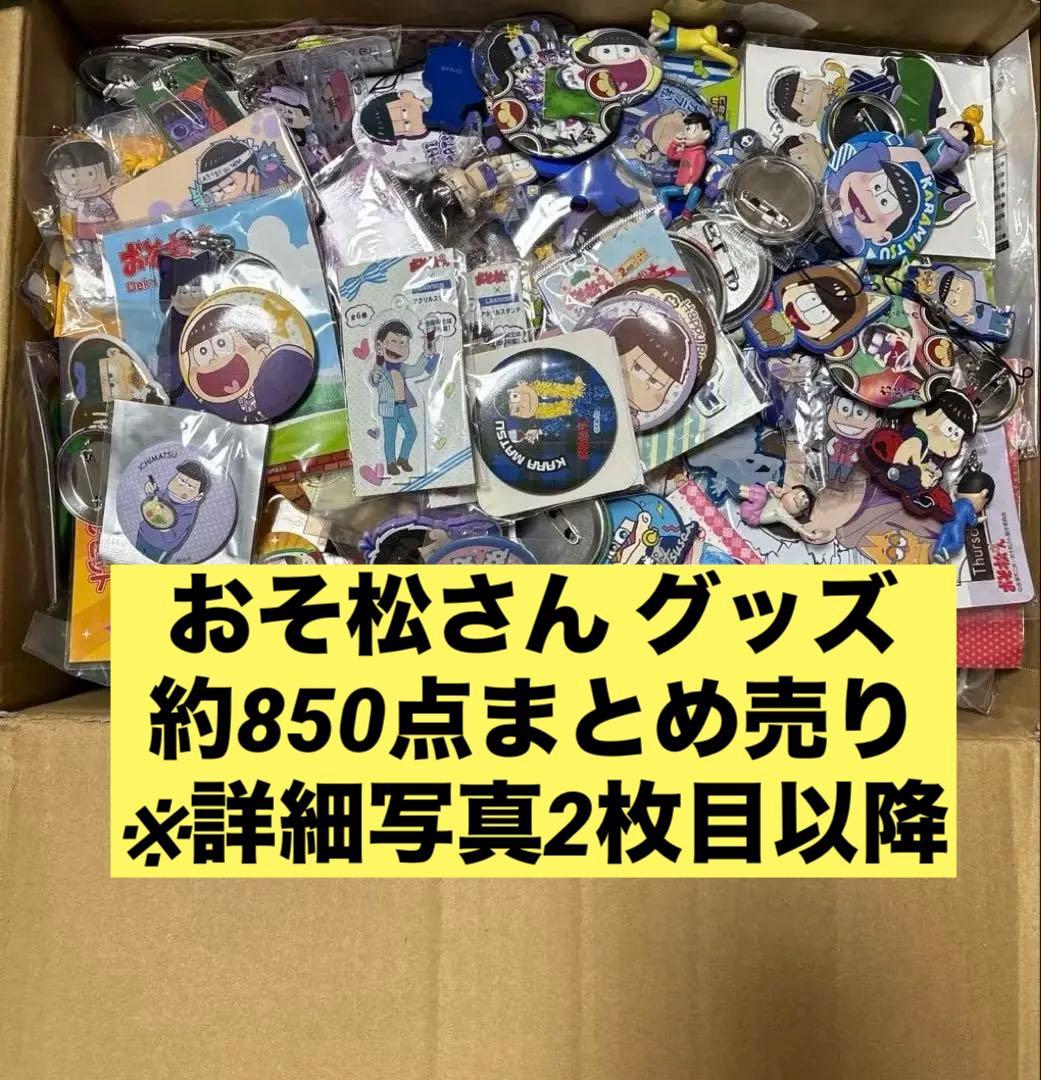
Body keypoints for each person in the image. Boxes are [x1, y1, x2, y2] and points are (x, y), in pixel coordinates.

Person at [369, 320, 439, 475]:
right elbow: (373, 380)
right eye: (394, 341)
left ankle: (403, 458)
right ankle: (391, 463)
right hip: (389, 408)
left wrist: (426, 354)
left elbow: (418, 370)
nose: (399, 347)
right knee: (390, 437)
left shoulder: (402, 367)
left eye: (403, 343)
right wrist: (375, 374)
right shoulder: (380, 368)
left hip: (403, 406)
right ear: (380, 345)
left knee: (412, 432)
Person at [135, 461, 209, 563]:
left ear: (199, 497)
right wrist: (151, 490)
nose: (180, 487)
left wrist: (163, 523)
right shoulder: (168, 493)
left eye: (190, 486)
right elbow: (156, 497)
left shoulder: (188, 512)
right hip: (143, 533)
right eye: (180, 479)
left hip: (159, 547)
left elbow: (172, 536)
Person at [658, 112, 712, 218]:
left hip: (690, 187)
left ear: (705, 134)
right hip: (680, 187)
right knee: (662, 191)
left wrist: (691, 182)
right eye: (686, 129)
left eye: (690, 129)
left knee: (696, 191)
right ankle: (664, 213)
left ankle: (687, 211)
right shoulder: (686, 152)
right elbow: (671, 156)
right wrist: (674, 143)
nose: (686, 134)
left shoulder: (699, 154)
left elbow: (698, 169)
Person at [932, 471, 994, 562]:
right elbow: (972, 522)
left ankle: (937, 551)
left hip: (946, 524)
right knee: (958, 544)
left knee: (943, 538)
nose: (982, 507)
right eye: (984, 504)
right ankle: (943, 552)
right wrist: (978, 520)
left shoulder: (955, 503)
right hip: (956, 528)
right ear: (983, 493)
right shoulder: (968, 506)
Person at [736, 481, 828, 543]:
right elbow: (768, 485)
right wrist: (774, 487)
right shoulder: (777, 497)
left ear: (797, 514)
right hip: (751, 505)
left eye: (798, 505)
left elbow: (796, 526)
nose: (797, 500)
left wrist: (810, 535)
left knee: (762, 496)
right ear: (788, 491)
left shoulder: (783, 515)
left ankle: (738, 492)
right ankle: (738, 489)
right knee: (762, 492)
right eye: (795, 496)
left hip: (752, 516)